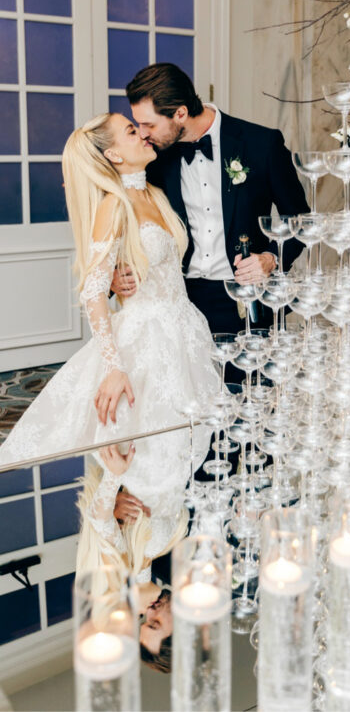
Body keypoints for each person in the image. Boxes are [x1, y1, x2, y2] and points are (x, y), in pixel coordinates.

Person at [0, 113, 221, 581]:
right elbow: (91, 291)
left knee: (186, 438)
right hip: (148, 338)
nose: (143, 133)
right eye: (130, 131)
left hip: (185, 332)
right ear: (114, 155)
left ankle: (151, 530)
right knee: (155, 450)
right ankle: (148, 539)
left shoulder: (155, 193)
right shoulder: (113, 204)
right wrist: (114, 367)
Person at [111, 62, 308, 337]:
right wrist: (114, 275)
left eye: (149, 124)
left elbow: (299, 219)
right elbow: (123, 214)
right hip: (178, 302)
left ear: (180, 113)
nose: (143, 133)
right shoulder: (153, 158)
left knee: (246, 382)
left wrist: (271, 258)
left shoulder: (261, 144)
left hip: (245, 300)